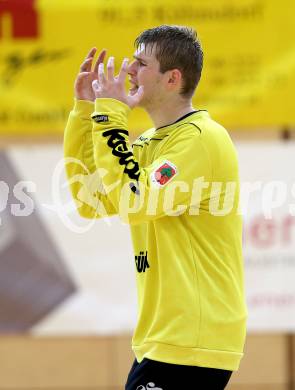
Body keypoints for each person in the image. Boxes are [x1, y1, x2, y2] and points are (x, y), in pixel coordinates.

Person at [64, 25, 247, 390]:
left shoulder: (201, 139)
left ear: (172, 78)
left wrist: (110, 115)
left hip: (191, 339)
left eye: (140, 63)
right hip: (163, 340)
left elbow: (135, 203)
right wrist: (86, 113)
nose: (129, 70)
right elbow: (92, 200)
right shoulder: (150, 142)